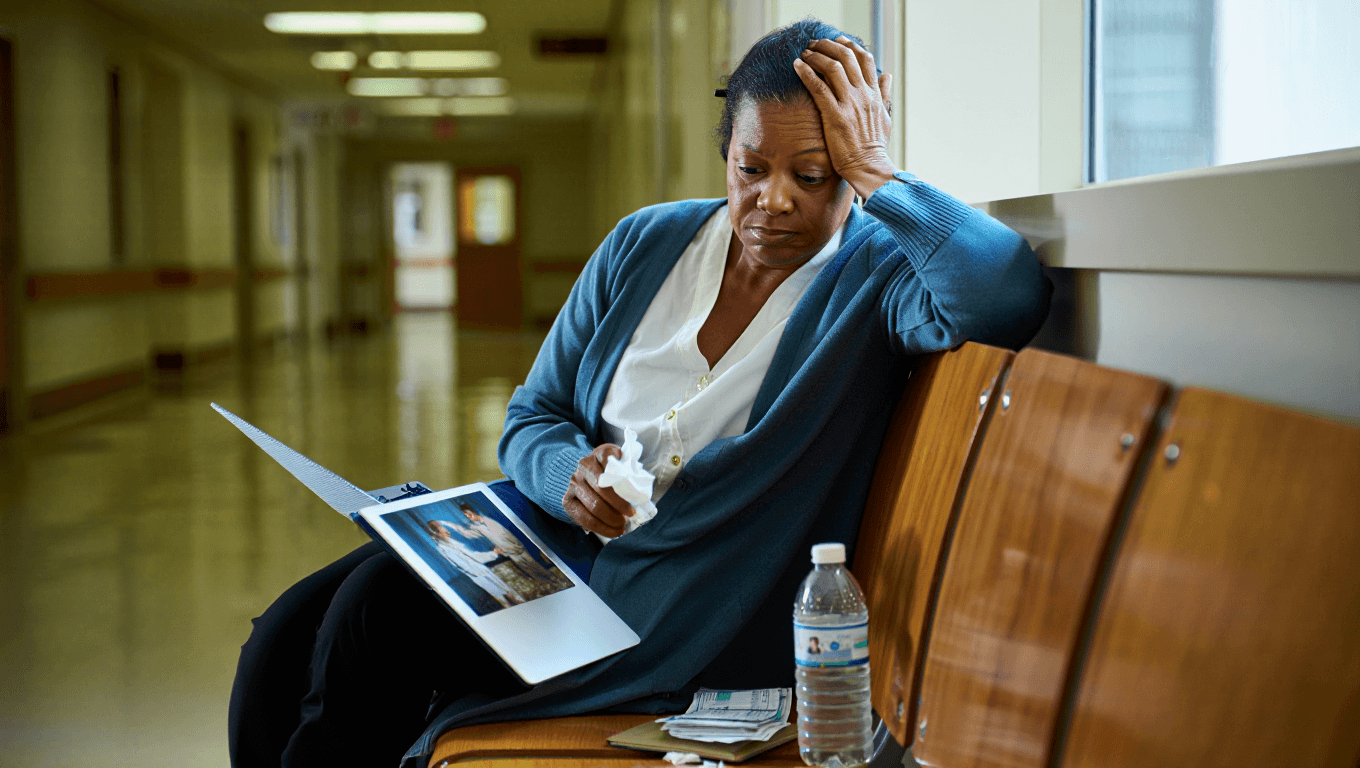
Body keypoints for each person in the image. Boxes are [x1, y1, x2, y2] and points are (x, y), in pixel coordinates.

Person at [227, 19, 1049, 768]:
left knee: (374, 620)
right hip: (552, 553)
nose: (775, 200)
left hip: (665, 606)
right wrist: (568, 476)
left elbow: (1005, 297)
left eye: (814, 174)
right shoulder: (646, 242)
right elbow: (532, 416)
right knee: (290, 633)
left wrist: (880, 173)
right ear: (725, 151)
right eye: (751, 168)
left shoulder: (874, 278)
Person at [458, 503, 567, 589]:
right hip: (508, 552)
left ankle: (553, 578)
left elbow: (506, 534)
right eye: (465, 516)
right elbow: (469, 535)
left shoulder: (489, 520)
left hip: (517, 547)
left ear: (472, 511)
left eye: (468, 514)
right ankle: (546, 582)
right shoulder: (476, 528)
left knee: (534, 564)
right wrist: (455, 527)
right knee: (527, 569)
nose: (468, 517)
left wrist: (517, 545)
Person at [424, 519, 523, 609]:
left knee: (507, 590)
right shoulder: (443, 548)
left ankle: (522, 606)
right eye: (445, 532)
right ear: (438, 535)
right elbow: (466, 564)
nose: (448, 533)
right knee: (501, 597)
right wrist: (491, 556)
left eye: (447, 530)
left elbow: (472, 555)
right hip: (477, 575)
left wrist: (493, 553)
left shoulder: (451, 542)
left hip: (481, 570)